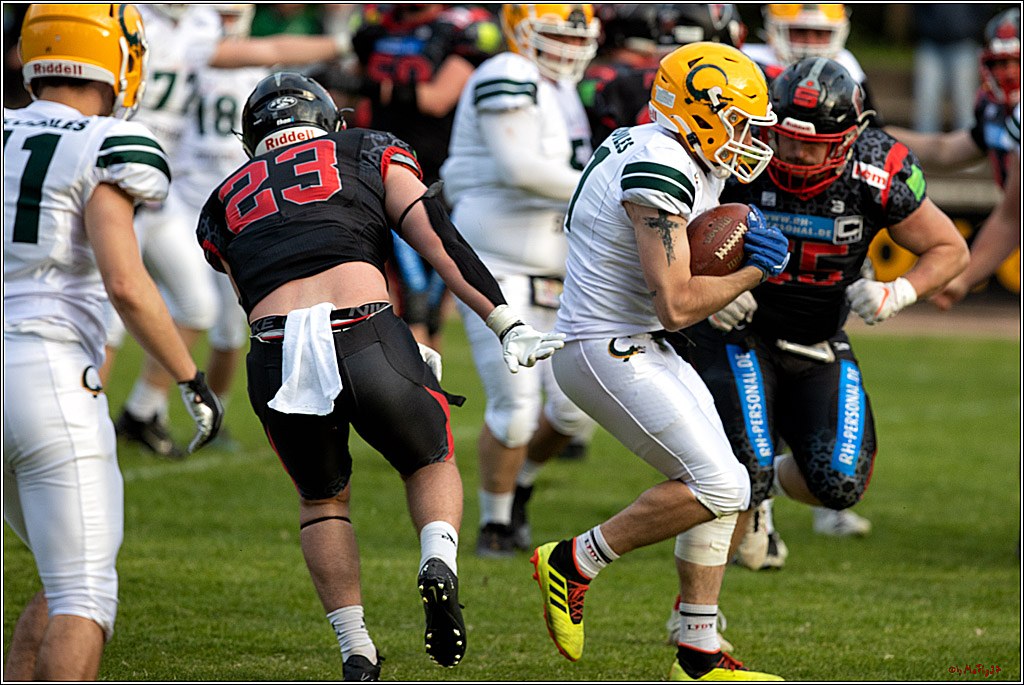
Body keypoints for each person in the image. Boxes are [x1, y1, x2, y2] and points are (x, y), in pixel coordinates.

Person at [194, 71, 564, 681]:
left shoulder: (222, 200)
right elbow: (438, 241)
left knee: (322, 503)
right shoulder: (366, 147)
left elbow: (248, 294)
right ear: (328, 119)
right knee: (428, 460)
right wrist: (504, 322)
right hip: (364, 329)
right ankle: (437, 559)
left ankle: (356, 649)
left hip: (276, 349)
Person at [664, 55, 969, 648]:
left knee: (838, 481)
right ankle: (695, 623)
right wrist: (705, 290)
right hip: (737, 330)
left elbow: (949, 248)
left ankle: (762, 502)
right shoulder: (740, 150)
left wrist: (897, 289)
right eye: (788, 143)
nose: (799, 158)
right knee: (741, 467)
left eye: (817, 147)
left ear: (852, 137)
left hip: (821, 337)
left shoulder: (878, 166)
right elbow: (667, 227)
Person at [532, 41, 790, 680]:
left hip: (636, 340)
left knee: (727, 484)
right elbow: (676, 302)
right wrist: (754, 270)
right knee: (723, 484)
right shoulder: (660, 166)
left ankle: (699, 655)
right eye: (739, 123)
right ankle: (575, 562)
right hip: (605, 346)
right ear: (698, 110)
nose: (750, 140)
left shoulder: (664, 146)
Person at [3, 5, 222, 680]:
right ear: (117, 57)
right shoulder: (107, 141)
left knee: (58, 571)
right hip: (46, 369)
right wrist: (190, 376)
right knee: (84, 592)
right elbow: (126, 282)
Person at [104, 2, 353, 458]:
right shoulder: (146, 25)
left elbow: (269, 48)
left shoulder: (194, 30)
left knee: (202, 312)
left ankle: (143, 412)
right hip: (140, 180)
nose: (224, 19)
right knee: (106, 316)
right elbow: (269, 46)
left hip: (168, 195)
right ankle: (89, 423)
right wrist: (341, 41)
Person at [440, 3, 600, 558]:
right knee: (516, 403)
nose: (566, 47)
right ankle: (495, 521)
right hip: (495, 261)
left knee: (575, 411)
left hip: (560, 267)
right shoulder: (506, 73)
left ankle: (523, 482)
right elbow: (518, 168)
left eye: (573, 36)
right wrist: (606, 186)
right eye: (552, 34)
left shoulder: (561, 92)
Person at [334, 3, 504, 349]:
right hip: (387, 171)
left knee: (431, 301)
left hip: (443, 174)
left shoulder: (462, 25)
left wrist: (367, 85)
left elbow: (438, 99)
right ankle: (424, 395)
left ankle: (429, 395)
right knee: (412, 295)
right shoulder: (374, 22)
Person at [886, 8, 1021, 309]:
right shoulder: (998, 112)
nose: (1008, 72)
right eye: (1001, 63)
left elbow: (1013, 217)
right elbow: (945, 149)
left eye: (1016, 62)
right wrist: (874, 133)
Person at [910, 4, 988, 133]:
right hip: (930, 42)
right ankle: (923, 151)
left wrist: (971, 27)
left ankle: (967, 151)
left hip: (964, 43)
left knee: (965, 107)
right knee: (926, 107)